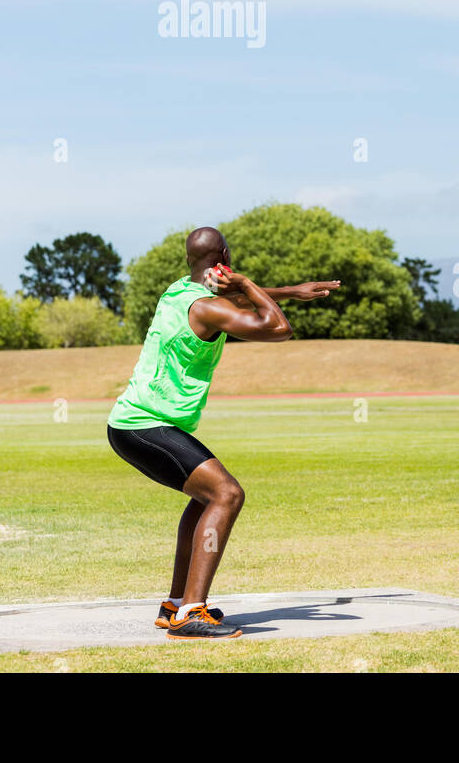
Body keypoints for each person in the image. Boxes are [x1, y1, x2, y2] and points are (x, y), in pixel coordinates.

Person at [107, 226, 340, 640]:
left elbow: (224, 298)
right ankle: (191, 614)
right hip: (146, 425)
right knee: (227, 494)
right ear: (225, 258)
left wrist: (290, 290)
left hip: (133, 424)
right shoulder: (207, 308)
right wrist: (249, 283)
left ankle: (176, 604)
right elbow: (277, 328)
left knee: (206, 498)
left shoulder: (179, 291)